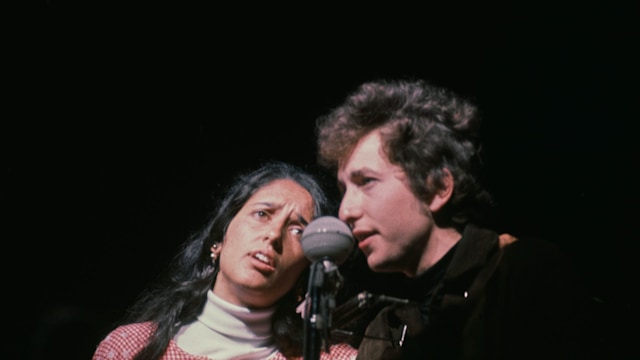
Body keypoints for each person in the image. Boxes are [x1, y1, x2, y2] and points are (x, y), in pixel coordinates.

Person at [315, 79, 597, 359]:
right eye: (343, 190)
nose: (345, 212)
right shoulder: (386, 327)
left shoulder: (520, 275)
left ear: (438, 187)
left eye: (366, 181)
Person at [92, 161, 358, 360]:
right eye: (262, 214)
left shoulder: (335, 358)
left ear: (305, 271)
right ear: (218, 240)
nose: (274, 234)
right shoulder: (131, 348)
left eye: (297, 231)